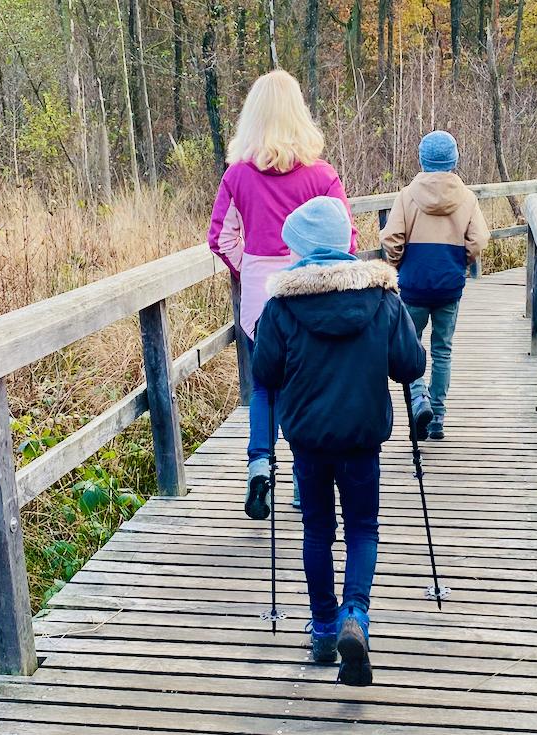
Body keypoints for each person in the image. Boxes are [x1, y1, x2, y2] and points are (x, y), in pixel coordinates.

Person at [252, 197, 426, 687]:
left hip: (307, 440)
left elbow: (264, 374)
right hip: (362, 439)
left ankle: (325, 629)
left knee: (316, 531)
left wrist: (260, 453)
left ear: (302, 250)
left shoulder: (281, 306)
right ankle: (357, 616)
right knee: (363, 529)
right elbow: (410, 365)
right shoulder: (383, 298)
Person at [207, 70, 357, 516]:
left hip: (259, 295)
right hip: (310, 290)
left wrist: (248, 267)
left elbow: (221, 237)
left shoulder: (237, 176)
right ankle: (300, 482)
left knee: (264, 386)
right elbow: (345, 243)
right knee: (305, 386)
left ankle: (258, 463)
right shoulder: (323, 175)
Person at [379, 130, 489, 441]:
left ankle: (418, 399)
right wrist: (460, 262)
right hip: (448, 286)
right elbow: (479, 239)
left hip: (413, 285)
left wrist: (399, 264)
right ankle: (437, 417)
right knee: (443, 351)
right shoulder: (467, 197)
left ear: (423, 160)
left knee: (410, 346)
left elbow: (391, 238)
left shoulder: (407, 195)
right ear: (454, 160)